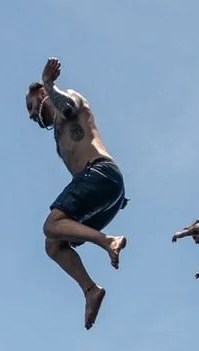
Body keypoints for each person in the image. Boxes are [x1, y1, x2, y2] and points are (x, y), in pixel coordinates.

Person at [26, 59, 127, 330]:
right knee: (53, 243)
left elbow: (69, 105)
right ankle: (91, 290)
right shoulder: (58, 138)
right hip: (108, 194)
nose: (31, 115)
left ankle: (108, 240)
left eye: (31, 106)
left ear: (41, 94)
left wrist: (49, 84)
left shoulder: (69, 102)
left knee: (51, 224)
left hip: (102, 173)